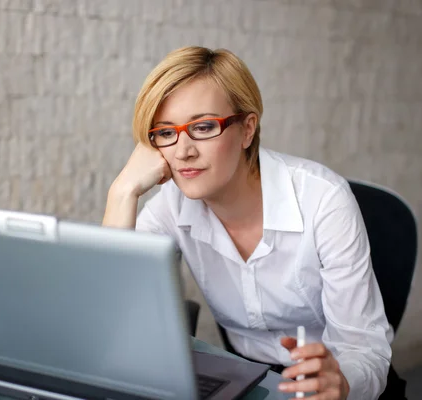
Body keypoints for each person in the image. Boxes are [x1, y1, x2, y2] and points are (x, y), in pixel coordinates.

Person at [103, 46, 395, 400]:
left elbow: (366, 349)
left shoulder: (324, 200)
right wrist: (122, 192)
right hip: (247, 381)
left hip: (333, 382)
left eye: (203, 127)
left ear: (247, 130)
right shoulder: (172, 206)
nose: (183, 151)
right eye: (166, 132)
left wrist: (343, 383)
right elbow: (109, 318)